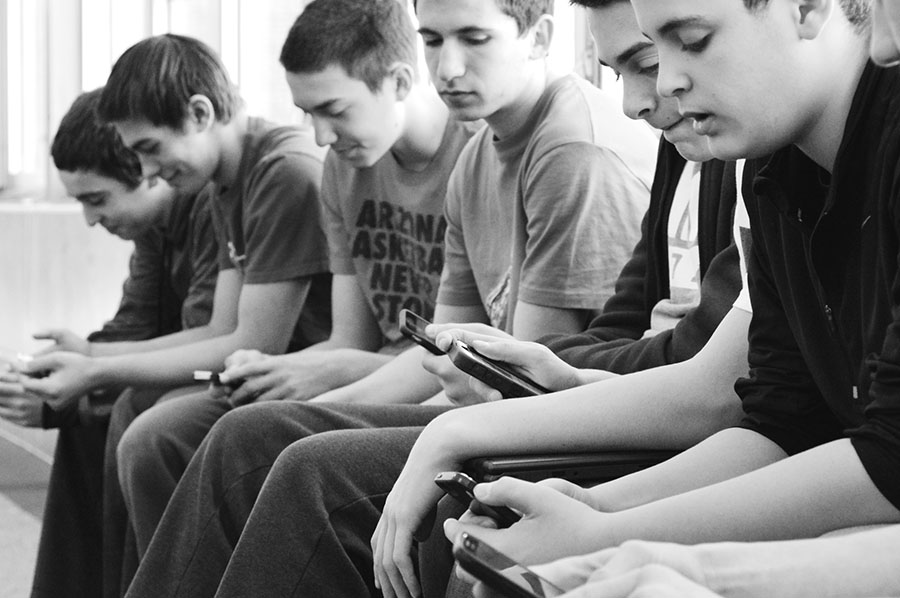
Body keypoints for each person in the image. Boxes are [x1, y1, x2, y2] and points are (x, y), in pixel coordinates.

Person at [123, 0, 657, 596]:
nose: (448, 66)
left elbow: (525, 379)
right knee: (250, 432)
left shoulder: (571, 152)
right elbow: (440, 349)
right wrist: (321, 413)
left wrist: (339, 418)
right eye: (432, 40)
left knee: (281, 456)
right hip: (503, 411)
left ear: (539, 38)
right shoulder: (478, 157)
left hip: (553, 429)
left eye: (474, 38)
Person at [444, 0, 900, 586]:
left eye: (692, 40)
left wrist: (616, 538)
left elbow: (889, 456)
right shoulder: (770, 165)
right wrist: (598, 511)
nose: (663, 85)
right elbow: (782, 421)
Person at [115, 0, 480, 580]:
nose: (320, 134)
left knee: (226, 434)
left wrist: (318, 378)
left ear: (400, 82)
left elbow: (462, 353)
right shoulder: (341, 168)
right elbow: (351, 337)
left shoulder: (472, 155)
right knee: (159, 426)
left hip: (426, 384)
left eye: (333, 110)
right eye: (307, 113)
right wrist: (294, 371)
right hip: (377, 369)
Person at [22, 34, 333, 598]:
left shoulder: (283, 170)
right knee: (132, 412)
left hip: (298, 372)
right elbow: (220, 331)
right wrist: (90, 360)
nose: (147, 169)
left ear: (199, 113)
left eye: (148, 148)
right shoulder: (224, 182)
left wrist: (95, 369)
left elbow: (253, 339)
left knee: (152, 431)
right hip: (258, 369)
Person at [0, 87, 218, 598]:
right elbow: (132, 329)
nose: (91, 220)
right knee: (88, 413)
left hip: (235, 374)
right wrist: (58, 376)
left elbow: (214, 346)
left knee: (131, 413)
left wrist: (83, 378)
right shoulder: (154, 230)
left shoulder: (213, 205)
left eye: (96, 199)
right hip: (192, 376)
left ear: (146, 171)